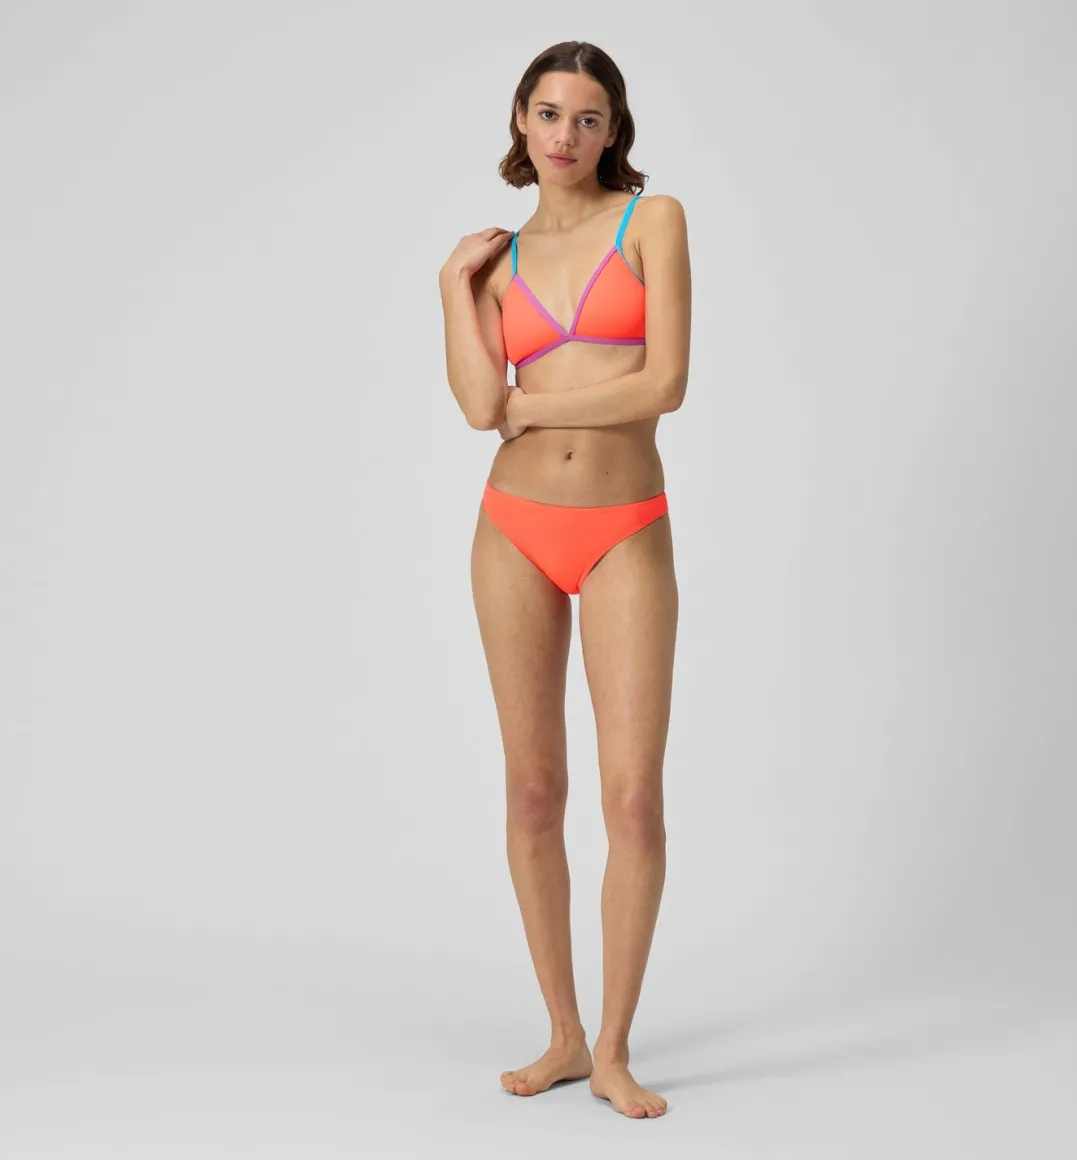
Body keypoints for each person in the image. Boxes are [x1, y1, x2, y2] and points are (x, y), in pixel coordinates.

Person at [438, 40, 691, 1120]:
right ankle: (562, 1034)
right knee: (533, 789)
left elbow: (664, 383)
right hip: (512, 529)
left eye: (587, 118)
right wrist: (449, 285)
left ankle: (617, 1049)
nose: (565, 135)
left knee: (631, 797)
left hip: (624, 527)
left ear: (612, 130)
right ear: (520, 119)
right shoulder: (492, 260)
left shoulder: (652, 221)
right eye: (547, 113)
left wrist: (533, 405)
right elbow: (475, 406)